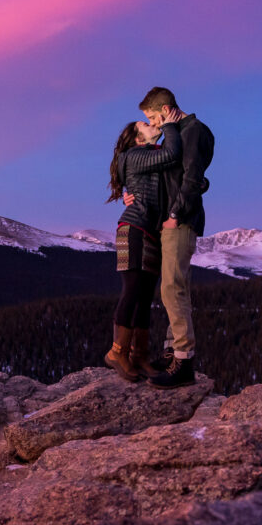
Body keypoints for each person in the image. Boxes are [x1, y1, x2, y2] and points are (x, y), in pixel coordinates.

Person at [127, 86, 214, 387]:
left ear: (164, 110)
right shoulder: (178, 132)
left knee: (173, 288)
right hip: (170, 221)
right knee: (173, 288)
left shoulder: (194, 131)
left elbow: (191, 178)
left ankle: (184, 361)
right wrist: (133, 194)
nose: (152, 124)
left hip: (179, 222)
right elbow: (188, 178)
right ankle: (171, 351)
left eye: (152, 117)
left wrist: (175, 215)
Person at [104, 109, 183, 382]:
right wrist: (171, 124)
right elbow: (171, 154)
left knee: (145, 296)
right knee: (133, 290)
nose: (151, 124)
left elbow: (174, 163)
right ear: (137, 139)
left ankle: (138, 356)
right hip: (133, 229)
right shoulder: (135, 155)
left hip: (150, 231)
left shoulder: (148, 156)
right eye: (144, 124)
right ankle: (117, 352)